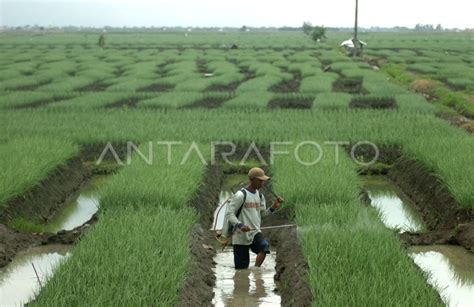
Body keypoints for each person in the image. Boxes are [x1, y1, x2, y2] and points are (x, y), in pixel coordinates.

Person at [225, 167, 284, 269]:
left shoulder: (260, 196)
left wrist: (273, 207)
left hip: (255, 231)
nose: (262, 183)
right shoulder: (240, 195)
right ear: (252, 180)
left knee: (264, 248)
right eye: (260, 180)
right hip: (240, 234)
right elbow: (229, 214)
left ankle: (256, 271)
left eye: (263, 181)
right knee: (241, 268)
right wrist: (240, 225)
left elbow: (261, 215)